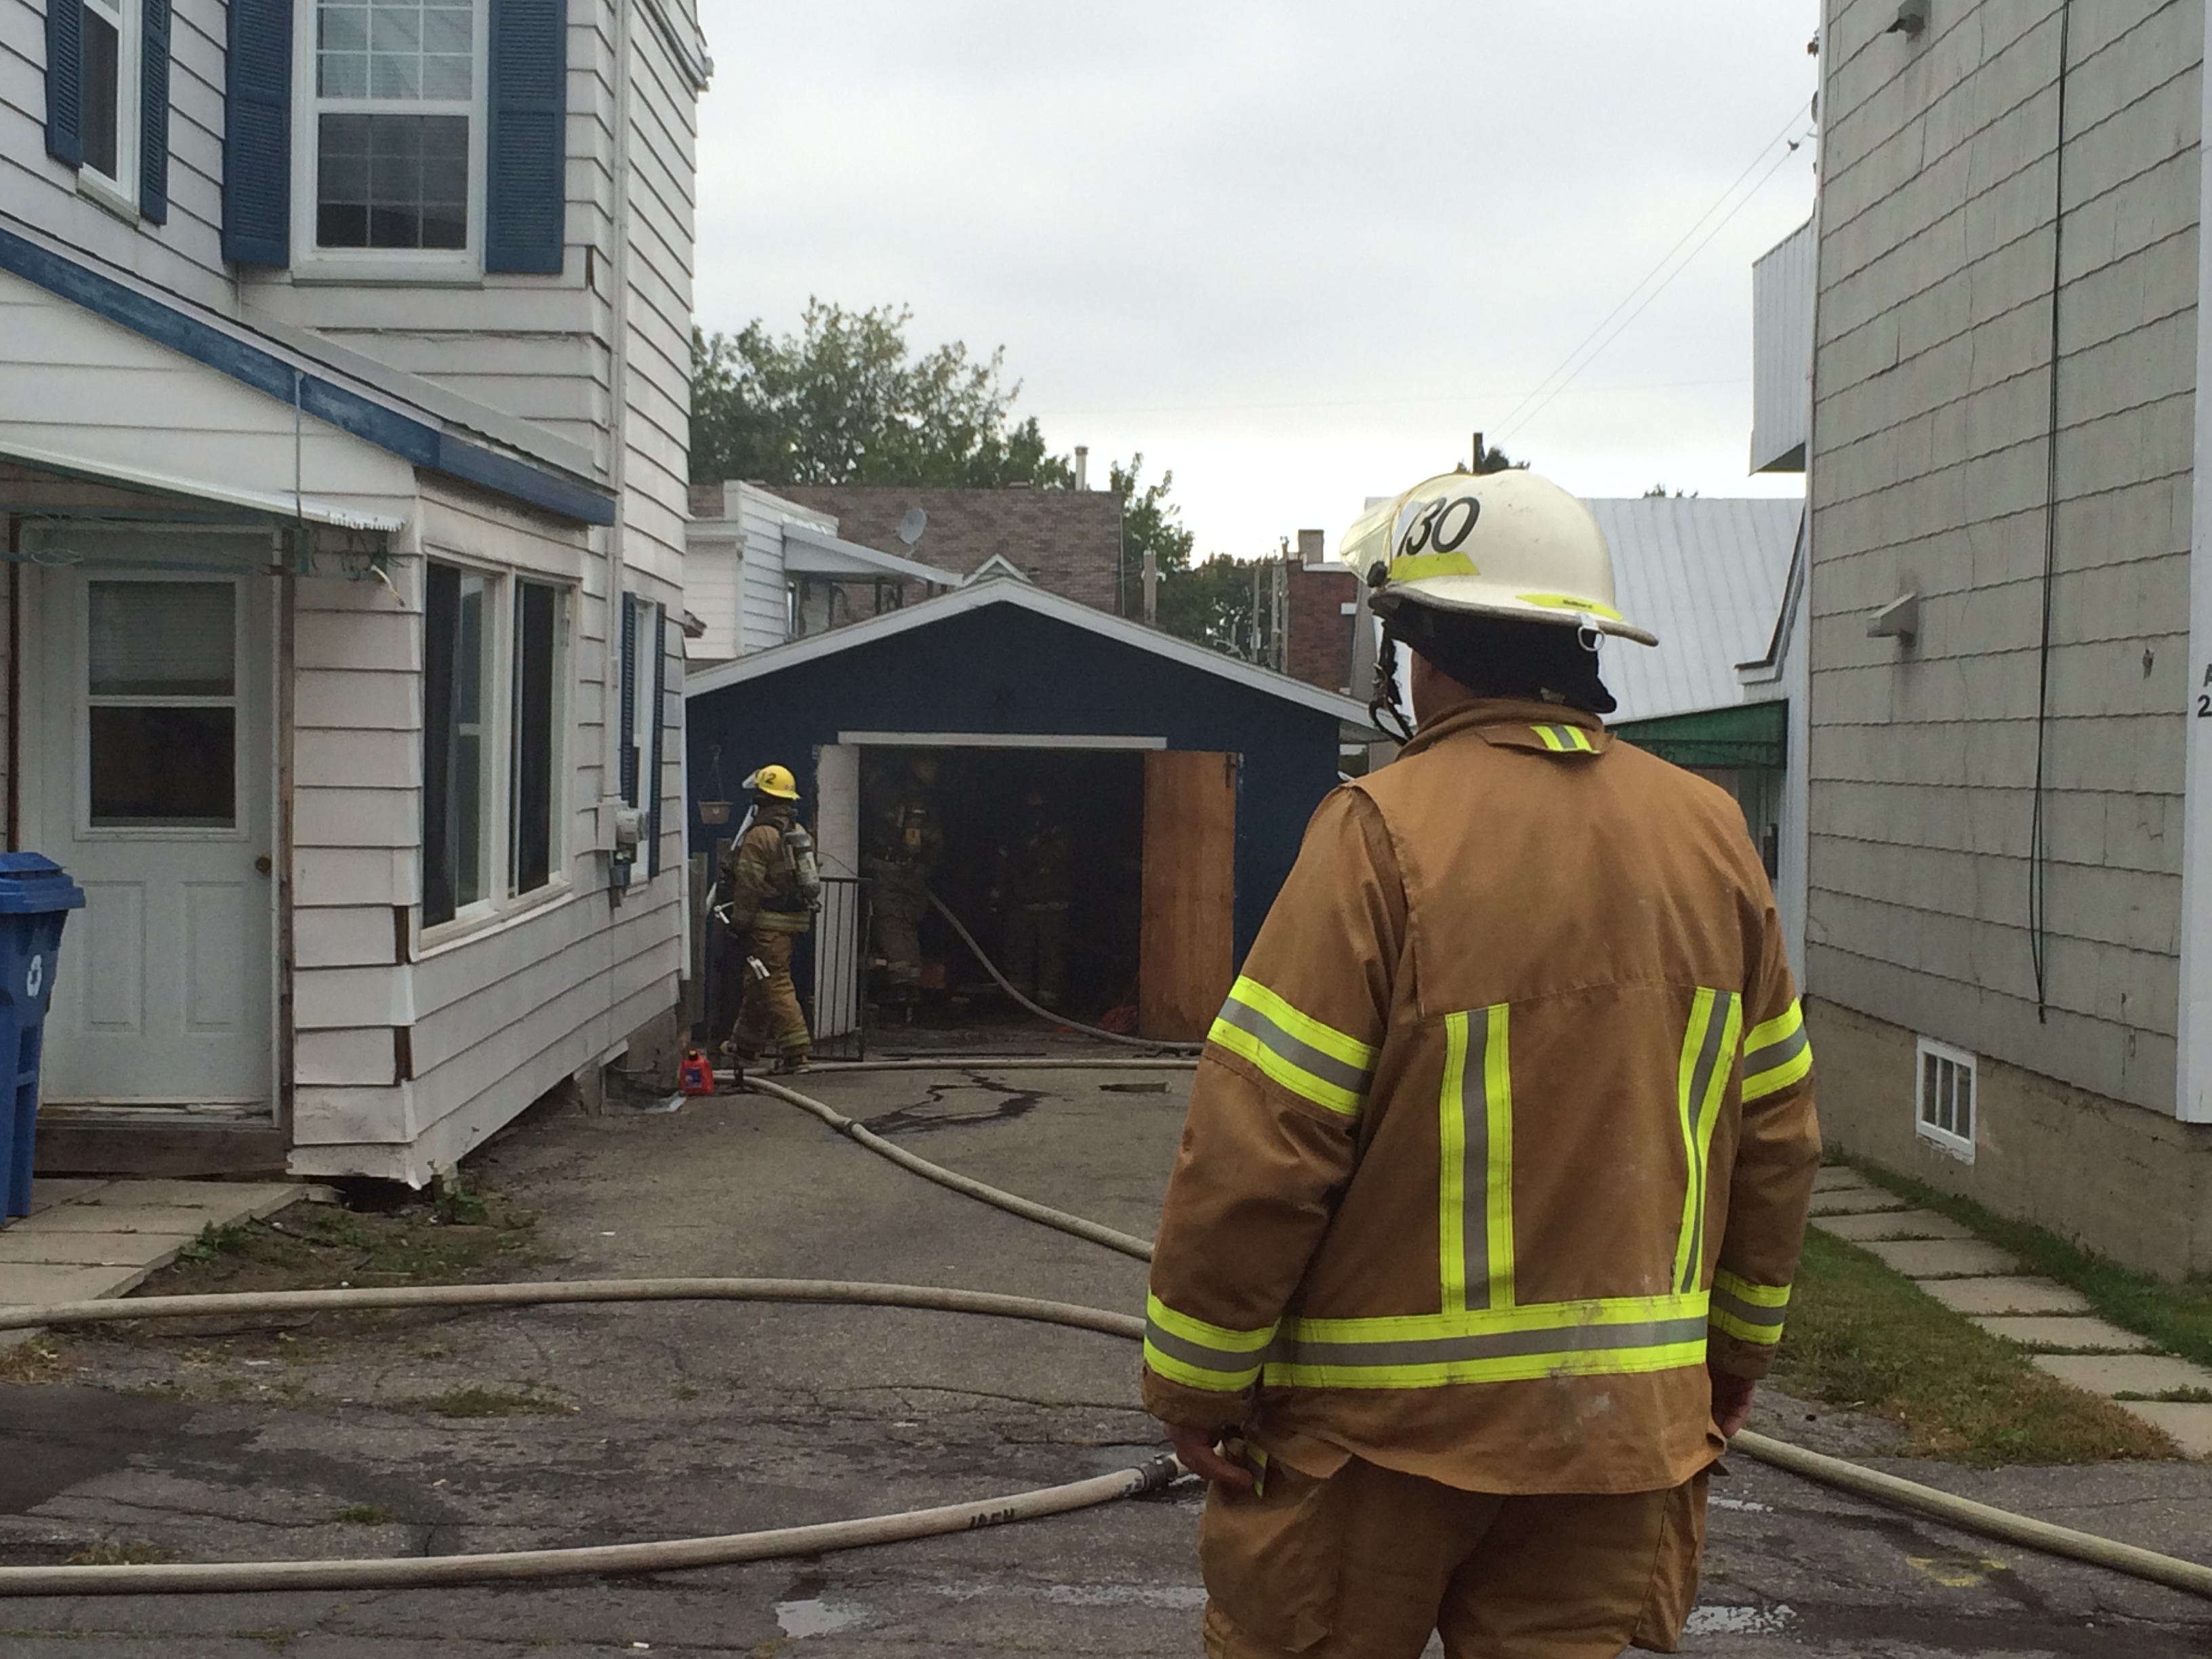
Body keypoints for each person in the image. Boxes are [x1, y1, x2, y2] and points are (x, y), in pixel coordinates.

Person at [1142, 468, 1820, 1658]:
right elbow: (1774, 1137)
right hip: (1616, 1441)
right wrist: (1729, 1363)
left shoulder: (1376, 835)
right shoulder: (1710, 837)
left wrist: (1198, 1382)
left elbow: (1262, 1139)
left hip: (1374, 1442)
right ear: (1579, 641)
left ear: (1419, 654)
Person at [719, 764, 817, 1075]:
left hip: (768, 922)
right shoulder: (798, 832)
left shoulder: (760, 834)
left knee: (773, 983)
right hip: (794, 921)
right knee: (758, 981)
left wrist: (739, 923)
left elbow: (748, 885)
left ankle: (796, 1051)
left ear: (762, 797)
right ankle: (745, 1048)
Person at [865, 757, 943, 1006]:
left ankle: (900, 986)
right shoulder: (928, 802)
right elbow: (937, 843)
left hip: (889, 869)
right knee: (908, 925)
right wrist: (923, 868)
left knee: (891, 923)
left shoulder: (891, 795)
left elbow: (879, 820)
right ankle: (912, 984)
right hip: (915, 874)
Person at [1000, 789, 1071, 1009]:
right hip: (1023, 903)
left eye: (1040, 809)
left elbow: (1054, 857)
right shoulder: (1015, 835)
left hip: (1053, 905)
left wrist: (1035, 846)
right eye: (1031, 809)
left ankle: (1048, 1004)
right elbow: (1004, 864)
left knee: (1051, 955)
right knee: (1018, 953)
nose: (1036, 816)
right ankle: (1018, 1002)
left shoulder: (1060, 834)